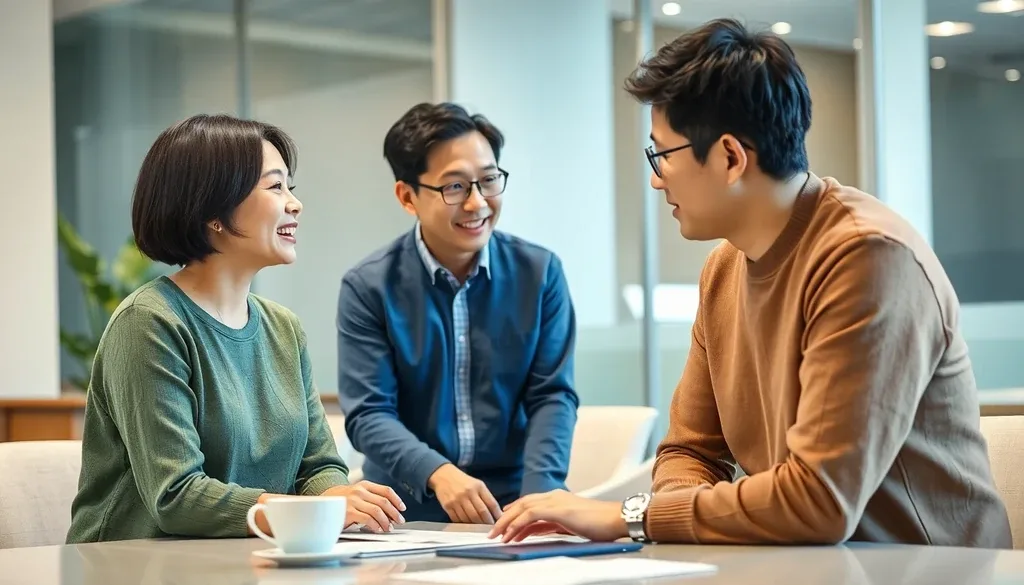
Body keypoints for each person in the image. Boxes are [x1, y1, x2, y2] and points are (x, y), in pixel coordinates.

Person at [489, 18, 1012, 548]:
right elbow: (689, 451)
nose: (655, 178)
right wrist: (674, 517)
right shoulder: (723, 268)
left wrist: (631, 516)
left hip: (923, 570)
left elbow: (818, 503)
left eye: (661, 155)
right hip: (800, 566)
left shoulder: (868, 258)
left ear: (730, 157)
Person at [67, 114, 405, 544]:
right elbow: (176, 496)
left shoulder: (284, 328)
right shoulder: (149, 322)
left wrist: (337, 496)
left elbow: (318, 465)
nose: (295, 204)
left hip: (250, 559)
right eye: (275, 187)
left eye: (290, 188)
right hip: (130, 564)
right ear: (214, 211)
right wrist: (305, 511)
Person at [336, 102, 579, 524]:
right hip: (405, 512)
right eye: (454, 187)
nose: (477, 203)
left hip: (514, 503)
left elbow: (552, 396)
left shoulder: (540, 273)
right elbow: (369, 414)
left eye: (489, 180)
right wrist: (439, 473)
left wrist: (541, 495)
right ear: (407, 196)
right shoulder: (368, 286)